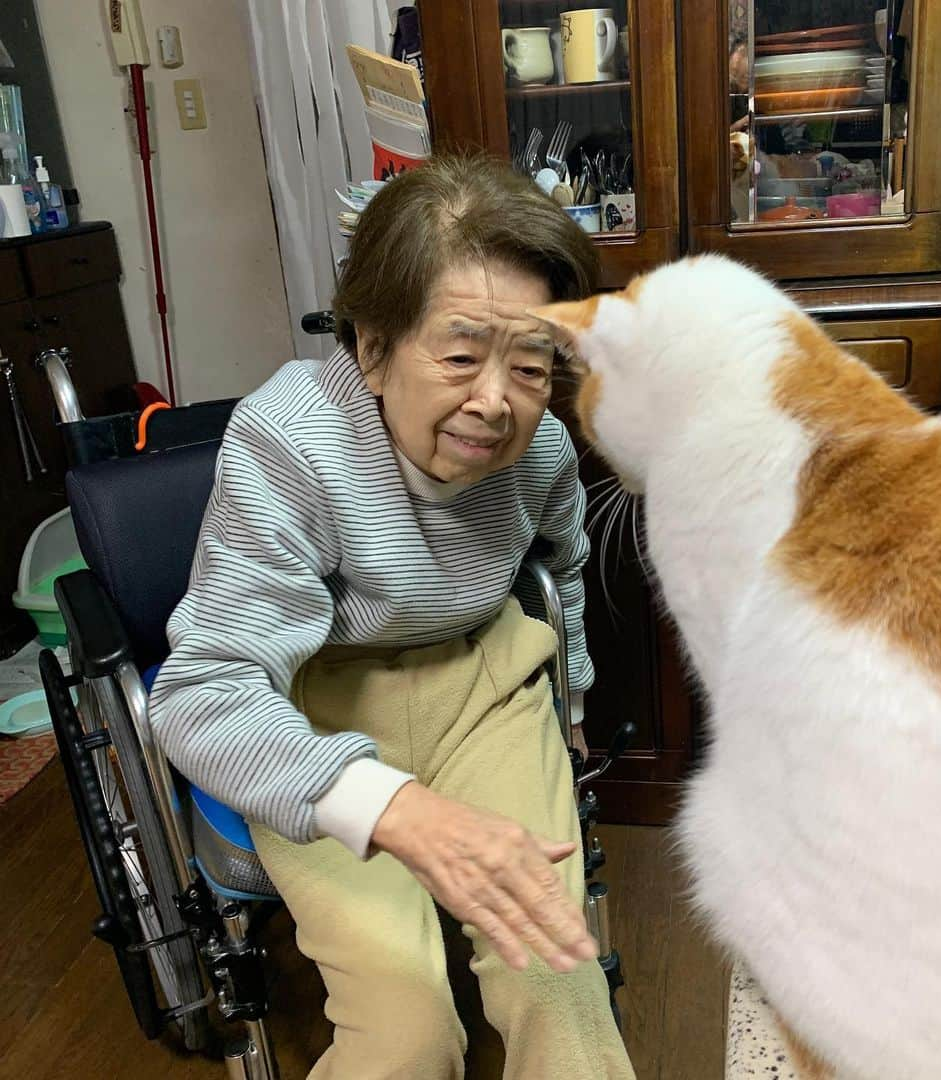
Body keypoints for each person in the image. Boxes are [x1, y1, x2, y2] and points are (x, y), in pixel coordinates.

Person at [149, 154, 634, 1079]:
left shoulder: (541, 452)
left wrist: (571, 704)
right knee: (406, 1028)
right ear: (371, 347)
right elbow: (202, 692)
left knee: (560, 984)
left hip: (484, 688)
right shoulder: (290, 439)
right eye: (459, 356)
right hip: (318, 709)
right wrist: (398, 811)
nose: (496, 401)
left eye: (531, 364)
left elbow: (561, 568)